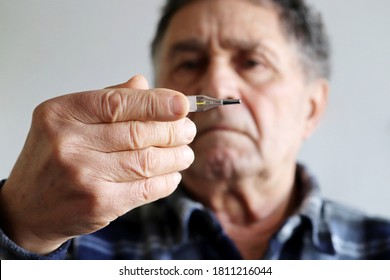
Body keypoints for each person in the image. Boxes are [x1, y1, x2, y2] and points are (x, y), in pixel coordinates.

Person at [1, 0, 390, 260]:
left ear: (311, 107)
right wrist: (22, 228)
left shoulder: (379, 250)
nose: (216, 87)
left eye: (252, 62)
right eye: (189, 63)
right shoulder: (74, 243)